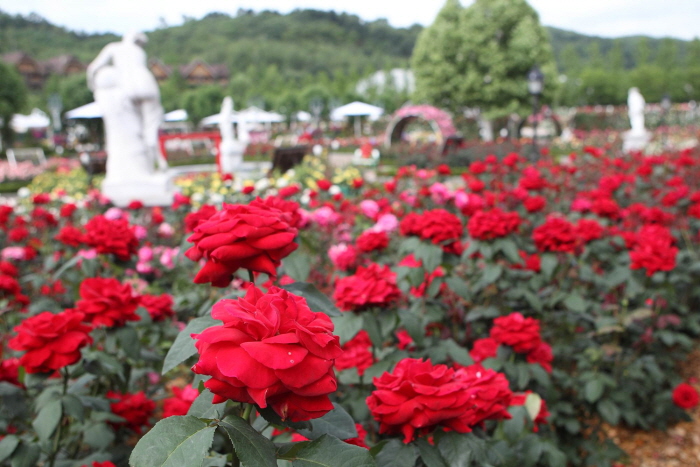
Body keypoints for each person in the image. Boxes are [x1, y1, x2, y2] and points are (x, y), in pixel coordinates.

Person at [86, 31, 166, 183]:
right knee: (150, 128)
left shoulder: (114, 48)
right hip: (145, 84)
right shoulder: (139, 51)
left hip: (127, 86)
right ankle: (156, 162)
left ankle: (151, 163)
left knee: (138, 129)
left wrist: (94, 86)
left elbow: (93, 68)